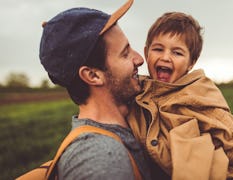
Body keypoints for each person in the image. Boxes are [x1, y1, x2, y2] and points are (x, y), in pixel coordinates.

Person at [127, 12, 233, 179]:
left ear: (191, 62)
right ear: (146, 53)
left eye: (177, 53)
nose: (165, 57)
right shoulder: (135, 94)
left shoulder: (202, 101)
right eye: (158, 49)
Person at [39, 0, 151, 179]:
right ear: (93, 75)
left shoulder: (138, 124)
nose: (139, 59)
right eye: (125, 53)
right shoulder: (100, 159)